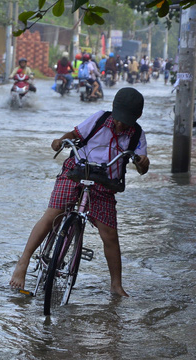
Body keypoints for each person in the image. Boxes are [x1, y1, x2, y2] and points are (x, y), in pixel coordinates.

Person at [9, 87, 149, 297]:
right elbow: (75, 134)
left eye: (126, 120)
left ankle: (116, 285)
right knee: (51, 215)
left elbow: (143, 168)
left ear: (137, 117)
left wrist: (142, 162)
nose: (120, 124)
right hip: (76, 170)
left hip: (105, 183)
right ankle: (24, 261)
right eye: (118, 119)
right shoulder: (100, 119)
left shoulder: (137, 135)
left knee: (110, 235)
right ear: (113, 110)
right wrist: (60, 141)